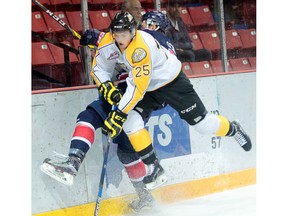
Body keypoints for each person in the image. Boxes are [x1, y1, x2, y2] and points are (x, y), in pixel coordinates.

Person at [90, 11, 251, 178]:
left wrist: (118, 113)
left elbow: (137, 89)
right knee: (130, 122)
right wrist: (106, 86)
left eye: (123, 35)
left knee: (203, 125)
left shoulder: (141, 47)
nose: (119, 39)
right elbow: (99, 68)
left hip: (172, 83)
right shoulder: (109, 41)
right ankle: (154, 167)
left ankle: (233, 129)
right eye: (116, 35)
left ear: (132, 32)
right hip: (149, 88)